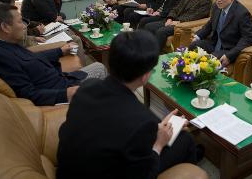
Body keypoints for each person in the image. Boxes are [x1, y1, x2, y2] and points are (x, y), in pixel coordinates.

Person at [56, 30, 200, 179]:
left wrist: (155, 128)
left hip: (69, 170)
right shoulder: (141, 118)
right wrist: (158, 144)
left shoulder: (86, 88)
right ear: (145, 76)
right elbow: (144, 173)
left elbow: (110, 125)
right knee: (185, 139)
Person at [0, 3, 107, 106]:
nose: (24, 27)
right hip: (60, 90)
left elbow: (30, 57)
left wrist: (59, 51)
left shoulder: (5, 43)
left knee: (99, 67)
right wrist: (66, 93)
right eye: (20, 22)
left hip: (62, 80)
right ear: (5, 27)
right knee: (102, 74)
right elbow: (27, 95)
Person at [189, 0, 252, 67]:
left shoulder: (242, 13)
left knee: (210, 61)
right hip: (214, 44)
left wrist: (230, 55)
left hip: (228, 48)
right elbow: (210, 23)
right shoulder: (216, 6)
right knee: (193, 46)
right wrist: (198, 36)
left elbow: (248, 39)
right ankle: (188, 73)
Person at [144, 0, 212, 49]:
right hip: (173, 20)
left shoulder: (205, 0)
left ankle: (154, 54)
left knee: (161, 31)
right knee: (149, 26)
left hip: (182, 24)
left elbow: (196, 15)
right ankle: (146, 49)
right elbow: (176, 8)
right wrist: (170, 18)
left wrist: (179, 21)